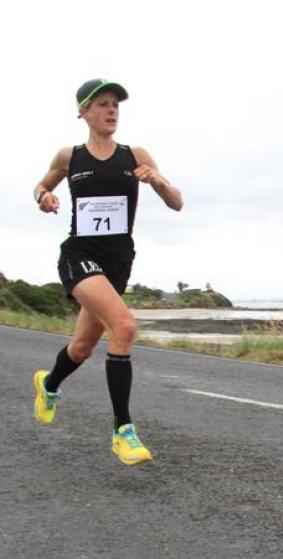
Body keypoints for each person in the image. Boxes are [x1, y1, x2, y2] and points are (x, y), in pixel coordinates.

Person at [32, 78, 183, 465]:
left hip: (118, 262)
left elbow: (177, 203)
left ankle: (48, 385)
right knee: (126, 327)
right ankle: (123, 431)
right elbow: (40, 185)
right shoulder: (70, 156)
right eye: (102, 104)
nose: (112, 110)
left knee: (81, 348)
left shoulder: (136, 155)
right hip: (79, 255)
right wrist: (44, 197)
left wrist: (158, 180)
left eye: (115, 104)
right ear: (83, 112)